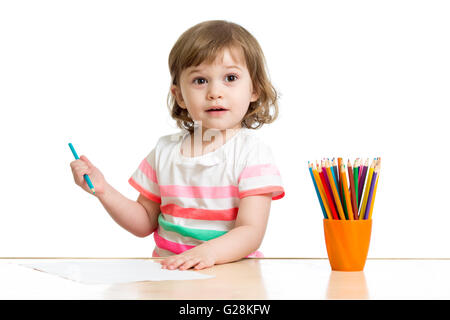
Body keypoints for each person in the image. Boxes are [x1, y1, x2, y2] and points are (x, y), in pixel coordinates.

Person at [70, 20, 285, 271]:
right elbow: (143, 222)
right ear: (180, 95)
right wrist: (103, 190)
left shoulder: (253, 154)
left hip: (231, 275)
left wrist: (208, 253)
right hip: (171, 276)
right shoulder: (164, 152)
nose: (215, 91)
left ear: (254, 90)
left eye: (230, 77)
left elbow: (251, 231)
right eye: (200, 81)